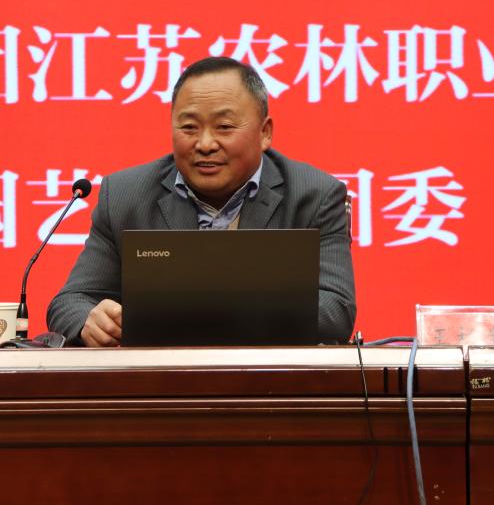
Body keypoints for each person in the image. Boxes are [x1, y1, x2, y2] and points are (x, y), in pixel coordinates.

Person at [47, 57, 356, 346]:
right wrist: (92, 321)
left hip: (270, 379)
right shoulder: (125, 196)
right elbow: (70, 303)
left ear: (264, 133)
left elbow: (335, 310)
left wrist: (213, 313)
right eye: (189, 127)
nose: (205, 144)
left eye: (224, 127)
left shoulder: (314, 196)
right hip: (158, 380)